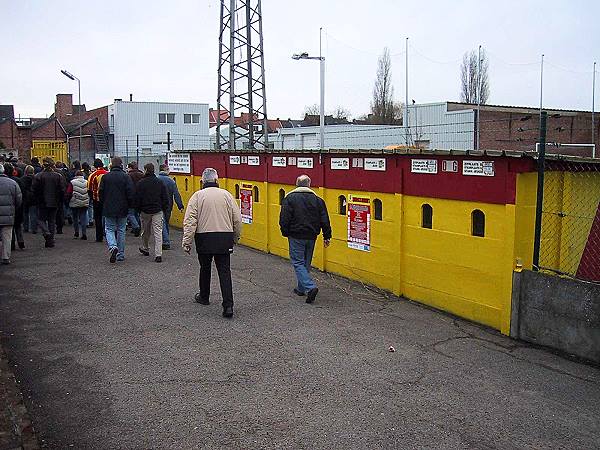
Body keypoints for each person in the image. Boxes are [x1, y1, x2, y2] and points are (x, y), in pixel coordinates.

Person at [182, 168, 241, 318]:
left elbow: (190, 221)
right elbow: (237, 219)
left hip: (204, 238)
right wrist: (235, 237)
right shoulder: (227, 195)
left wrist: (187, 241)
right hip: (224, 237)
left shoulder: (197, 197)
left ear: (202, 181)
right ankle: (228, 306)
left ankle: (204, 296)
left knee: (205, 268)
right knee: (224, 271)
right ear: (217, 180)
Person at [279, 174, 332, 304]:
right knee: (305, 263)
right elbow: (324, 219)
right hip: (311, 236)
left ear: (297, 184)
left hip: (296, 235)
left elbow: (284, 218)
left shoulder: (289, 198)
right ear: (309, 184)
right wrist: (327, 235)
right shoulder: (318, 200)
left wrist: (285, 232)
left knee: (297, 262)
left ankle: (310, 287)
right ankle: (301, 289)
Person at [99, 157, 134, 263]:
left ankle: (113, 246)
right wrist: (130, 205)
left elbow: (101, 192)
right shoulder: (126, 177)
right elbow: (130, 193)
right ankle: (121, 254)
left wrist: (103, 203)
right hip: (123, 207)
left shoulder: (105, 177)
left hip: (109, 207)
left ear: (111, 165)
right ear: (121, 165)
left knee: (109, 229)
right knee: (121, 230)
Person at [135, 163, 169, 263]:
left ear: (145, 170)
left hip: (145, 211)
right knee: (158, 232)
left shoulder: (141, 183)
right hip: (158, 211)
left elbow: (137, 198)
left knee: (146, 231)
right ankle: (158, 254)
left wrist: (138, 209)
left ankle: (145, 247)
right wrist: (164, 208)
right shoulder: (159, 182)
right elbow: (165, 197)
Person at [32, 157, 66, 248]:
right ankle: (50, 239)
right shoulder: (58, 176)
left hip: (42, 201)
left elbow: (34, 189)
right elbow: (62, 189)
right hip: (54, 201)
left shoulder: (38, 176)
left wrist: (37, 199)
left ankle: (47, 233)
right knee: (52, 221)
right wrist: (60, 200)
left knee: (40, 219)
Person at [0, 164, 22, 264]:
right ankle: (5, 257)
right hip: (8, 214)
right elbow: (18, 199)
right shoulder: (12, 183)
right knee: (7, 236)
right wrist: (13, 208)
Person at [158, 164, 183, 250]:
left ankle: (165, 240)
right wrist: (180, 205)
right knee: (166, 222)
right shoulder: (171, 181)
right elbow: (176, 194)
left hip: (159, 205)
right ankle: (166, 239)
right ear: (166, 170)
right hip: (168, 205)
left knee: (162, 223)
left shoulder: (157, 180)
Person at [5, 163, 25, 250]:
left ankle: (12, 244)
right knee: (18, 225)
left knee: (9, 227)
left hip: (6, 208)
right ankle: (21, 241)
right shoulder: (17, 180)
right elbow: (21, 194)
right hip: (17, 206)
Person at [87, 159, 108, 242]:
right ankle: (107, 234)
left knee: (98, 218)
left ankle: (99, 237)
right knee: (107, 218)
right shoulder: (108, 174)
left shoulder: (93, 175)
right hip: (106, 199)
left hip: (97, 200)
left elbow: (89, 188)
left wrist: (92, 198)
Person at [67, 170, 89, 240]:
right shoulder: (87, 182)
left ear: (75, 175)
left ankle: (76, 233)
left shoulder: (72, 182)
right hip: (85, 202)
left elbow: (69, 192)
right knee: (83, 218)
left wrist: (68, 200)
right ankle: (84, 233)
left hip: (75, 201)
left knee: (75, 218)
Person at [127, 161, 144, 236]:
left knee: (130, 213)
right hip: (140, 197)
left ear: (130, 167)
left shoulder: (128, 176)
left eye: (127, 168)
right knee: (137, 214)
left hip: (131, 197)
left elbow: (128, 187)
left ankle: (136, 226)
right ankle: (138, 227)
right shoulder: (142, 174)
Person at [20, 165, 36, 233]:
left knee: (25, 213)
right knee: (33, 214)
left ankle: (25, 228)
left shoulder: (22, 179)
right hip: (33, 198)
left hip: (25, 198)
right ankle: (33, 228)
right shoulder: (35, 178)